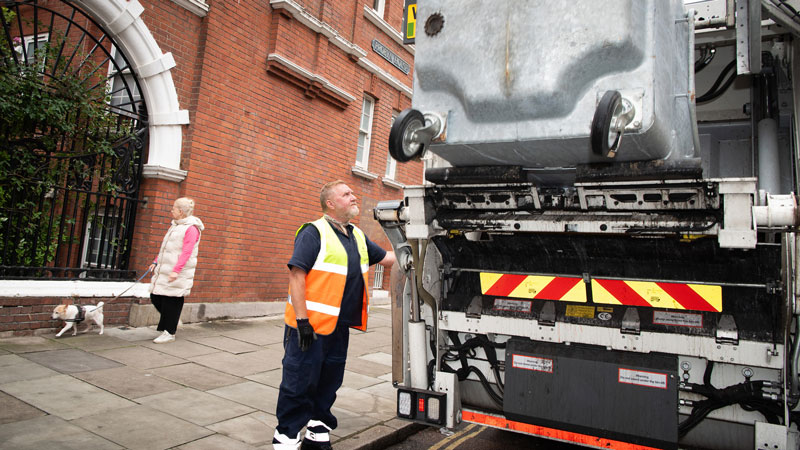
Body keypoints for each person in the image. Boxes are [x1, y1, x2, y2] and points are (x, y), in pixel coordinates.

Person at [273, 181, 396, 450]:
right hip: (309, 327)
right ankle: (286, 436)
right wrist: (303, 321)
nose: (354, 197)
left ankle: (317, 431)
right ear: (331, 203)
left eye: (352, 193)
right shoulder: (313, 232)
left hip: (338, 327)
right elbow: (297, 275)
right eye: (347, 194)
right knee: (299, 382)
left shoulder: (357, 235)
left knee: (329, 380)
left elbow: (387, 258)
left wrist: (419, 246)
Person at [149, 197, 204, 344]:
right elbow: (166, 248)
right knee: (156, 297)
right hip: (165, 269)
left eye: (173, 208)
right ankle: (171, 320)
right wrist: (156, 261)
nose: (171, 210)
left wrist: (176, 270)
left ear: (180, 211)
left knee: (172, 299)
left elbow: (187, 252)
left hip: (178, 271)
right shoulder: (175, 226)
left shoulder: (191, 229)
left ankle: (169, 332)